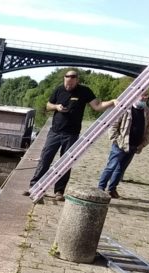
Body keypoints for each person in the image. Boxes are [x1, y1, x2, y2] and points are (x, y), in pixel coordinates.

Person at [25, 70, 117, 201]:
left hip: (72, 134)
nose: (68, 86)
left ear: (76, 81)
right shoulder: (59, 89)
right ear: (64, 80)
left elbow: (97, 106)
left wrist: (113, 101)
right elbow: (48, 105)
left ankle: (59, 191)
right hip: (55, 132)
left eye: (71, 84)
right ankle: (34, 187)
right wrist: (56, 107)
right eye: (67, 83)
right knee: (45, 159)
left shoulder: (84, 91)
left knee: (66, 163)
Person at [98, 91, 149, 198]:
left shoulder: (147, 111)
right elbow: (113, 126)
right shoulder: (124, 108)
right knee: (111, 167)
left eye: (146, 95)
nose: (144, 98)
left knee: (121, 169)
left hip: (134, 145)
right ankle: (100, 188)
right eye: (142, 94)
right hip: (120, 144)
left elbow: (148, 128)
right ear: (136, 95)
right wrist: (117, 141)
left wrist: (144, 143)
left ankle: (112, 189)